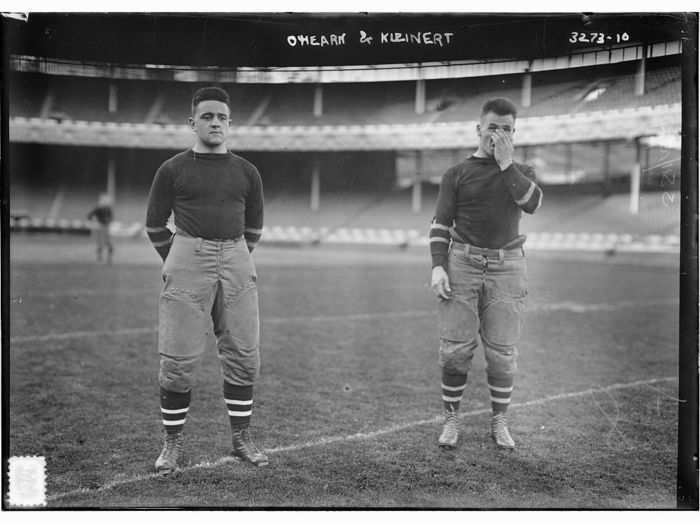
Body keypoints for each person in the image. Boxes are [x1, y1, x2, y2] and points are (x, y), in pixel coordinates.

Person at [145, 86, 267, 473]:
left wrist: (234, 257)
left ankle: (242, 438)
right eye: (207, 116)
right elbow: (154, 225)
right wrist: (180, 260)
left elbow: (255, 228)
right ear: (192, 121)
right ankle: (172, 444)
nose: (215, 122)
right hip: (188, 258)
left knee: (245, 355)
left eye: (222, 117)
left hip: (236, 259)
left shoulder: (247, 171)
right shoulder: (173, 169)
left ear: (230, 123)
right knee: (178, 359)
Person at [429, 97, 543, 450]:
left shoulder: (522, 171)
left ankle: (500, 421)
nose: (499, 133)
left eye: (507, 128)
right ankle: (451, 420)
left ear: (514, 133)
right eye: (493, 126)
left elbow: (533, 204)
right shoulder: (456, 173)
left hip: (507, 265)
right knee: (454, 350)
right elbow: (440, 224)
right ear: (479, 129)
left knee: (502, 352)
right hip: (462, 262)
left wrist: (507, 165)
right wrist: (437, 266)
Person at [87, 193, 114, 263]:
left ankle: (108, 257)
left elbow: (111, 217)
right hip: (100, 226)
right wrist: (94, 220)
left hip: (105, 227)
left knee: (106, 242)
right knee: (101, 242)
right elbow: (89, 215)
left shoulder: (107, 208)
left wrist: (108, 221)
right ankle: (100, 257)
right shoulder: (98, 208)